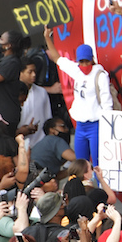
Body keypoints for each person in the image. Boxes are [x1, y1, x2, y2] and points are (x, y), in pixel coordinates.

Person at [44, 26, 111, 165]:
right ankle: (82, 187)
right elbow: (57, 58)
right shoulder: (76, 70)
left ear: (92, 59)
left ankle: (100, 186)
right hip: (80, 126)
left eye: (87, 61)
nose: (84, 64)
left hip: (96, 125)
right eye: (81, 61)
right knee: (80, 164)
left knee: (99, 164)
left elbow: (107, 104)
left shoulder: (100, 75)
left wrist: (107, 127)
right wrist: (47, 37)